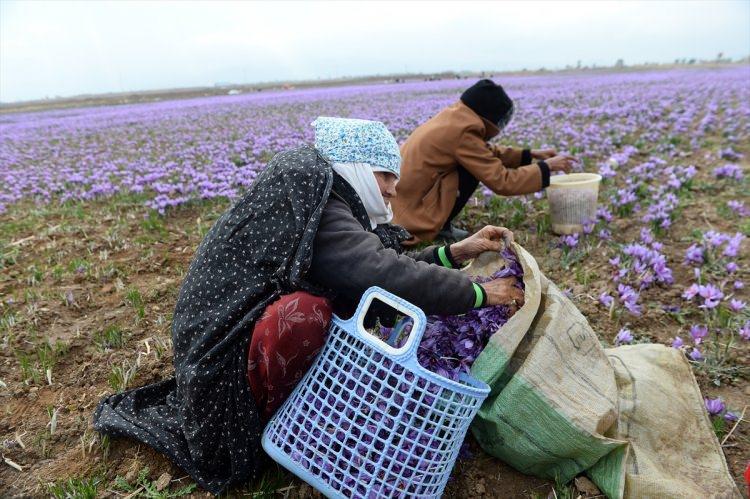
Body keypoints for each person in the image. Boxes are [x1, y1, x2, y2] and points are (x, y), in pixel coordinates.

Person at [93, 117, 525, 495]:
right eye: (384, 176)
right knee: (305, 314)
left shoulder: (324, 192)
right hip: (221, 370)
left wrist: (455, 253)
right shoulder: (311, 193)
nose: (394, 189)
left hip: (235, 348)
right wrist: (480, 295)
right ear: (354, 165)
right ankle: (268, 429)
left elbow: (375, 263)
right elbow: (374, 271)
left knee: (326, 303)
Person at [391, 79, 577, 244]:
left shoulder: (455, 118)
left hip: (399, 202)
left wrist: (529, 154)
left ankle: (442, 224)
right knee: (469, 171)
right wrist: (546, 167)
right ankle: (440, 228)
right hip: (411, 217)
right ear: (490, 119)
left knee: (469, 166)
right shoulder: (463, 133)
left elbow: (483, 151)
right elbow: (502, 181)